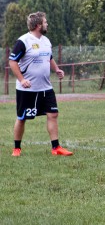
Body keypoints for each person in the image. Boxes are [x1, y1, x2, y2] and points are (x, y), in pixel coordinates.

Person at [9, 12, 73, 157]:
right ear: (38, 25)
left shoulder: (46, 41)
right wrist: (21, 79)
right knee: (22, 117)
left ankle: (56, 147)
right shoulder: (23, 41)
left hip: (46, 87)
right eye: (45, 22)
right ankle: (17, 148)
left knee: (53, 114)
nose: (47, 24)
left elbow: (49, 57)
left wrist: (56, 69)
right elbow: (12, 62)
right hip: (27, 89)